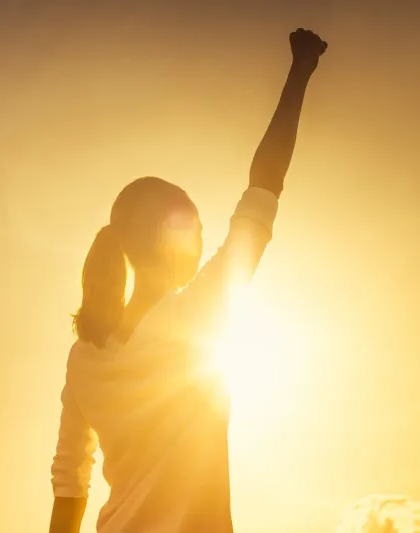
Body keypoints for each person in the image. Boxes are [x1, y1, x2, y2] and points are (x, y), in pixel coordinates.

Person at [48, 28, 328, 533]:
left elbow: (69, 484)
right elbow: (263, 188)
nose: (203, 237)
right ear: (167, 236)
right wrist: (300, 71)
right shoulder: (197, 316)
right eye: (195, 226)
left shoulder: (84, 356)